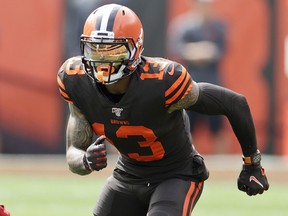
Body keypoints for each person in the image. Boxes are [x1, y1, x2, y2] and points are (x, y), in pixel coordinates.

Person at [57, 4, 269, 216]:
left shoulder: (162, 81)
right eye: (96, 49)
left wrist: (252, 164)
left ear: (135, 48)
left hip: (176, 175)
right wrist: (85, 160)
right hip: (127, 175)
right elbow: (73, 153)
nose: (103, 60)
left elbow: (235, 103)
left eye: (113, 50)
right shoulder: (75, 79)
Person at [167, 0, 227, 148]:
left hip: (213, 83)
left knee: (218, 128)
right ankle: (189, 163)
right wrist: (201, 50)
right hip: (189, 84)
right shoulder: (182, 26)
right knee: (187, 127)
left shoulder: (218, 26)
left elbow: (218, 51)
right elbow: (178, 50)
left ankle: (222, 166)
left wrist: (195, 51)